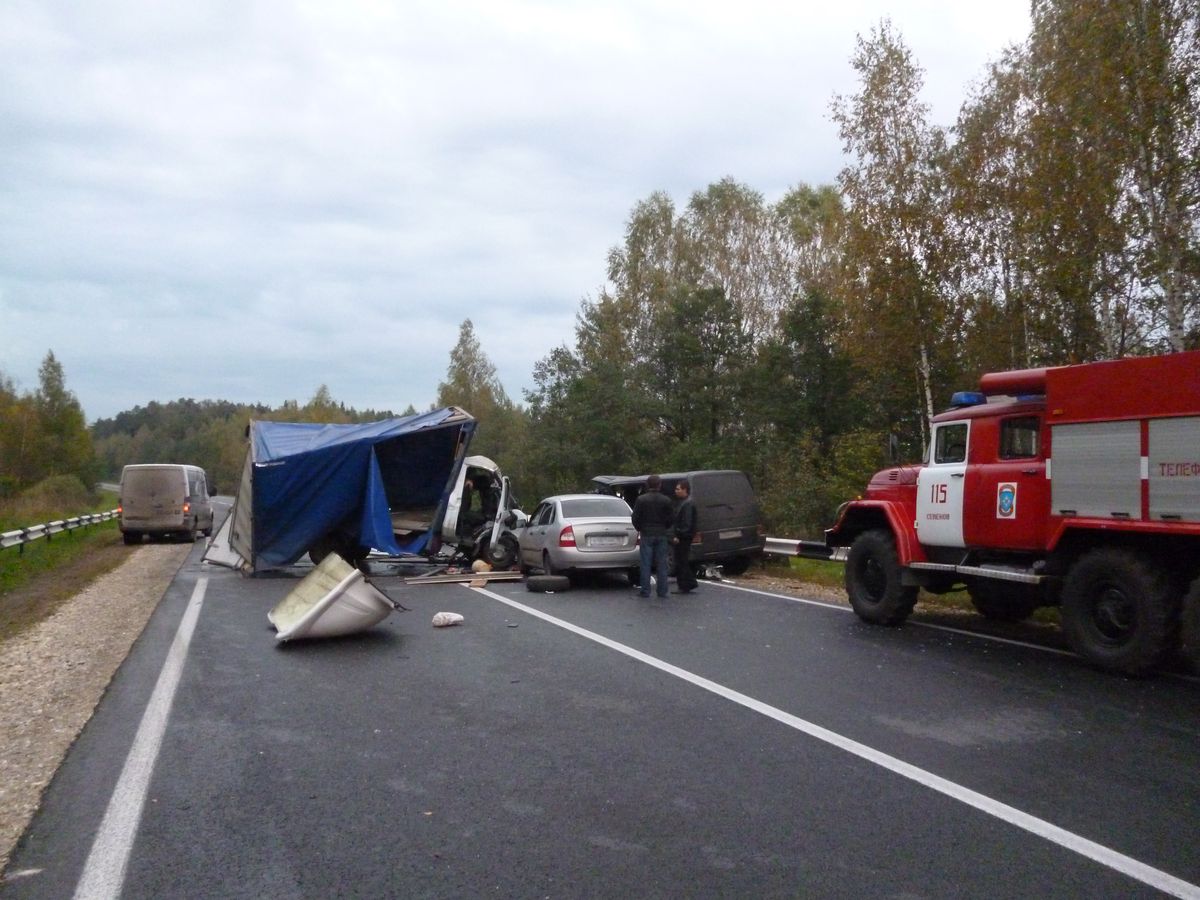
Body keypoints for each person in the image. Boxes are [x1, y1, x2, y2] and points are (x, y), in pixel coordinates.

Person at [631, 474, 674, 598]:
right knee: (662, 564)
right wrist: (664, 527)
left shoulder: (641, 500)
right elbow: (671, 518)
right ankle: (662, 591)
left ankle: (645, 590)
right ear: (660, 485)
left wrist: (640, 528)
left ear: (647, 485)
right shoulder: (666, 500)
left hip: (647, 533)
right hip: (661, 533)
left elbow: (635, 518)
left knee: (646, 563)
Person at [671, 479, 698, 594]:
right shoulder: (684, 502)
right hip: (684, 535)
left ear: (685, 490)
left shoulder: (687, 504)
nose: (676, 491)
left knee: (681, 561)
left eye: (678, 489)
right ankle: (687, 583)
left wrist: (679, 534)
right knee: (681, 560)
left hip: (684, 537)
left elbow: (687, 523)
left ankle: (686, 584)